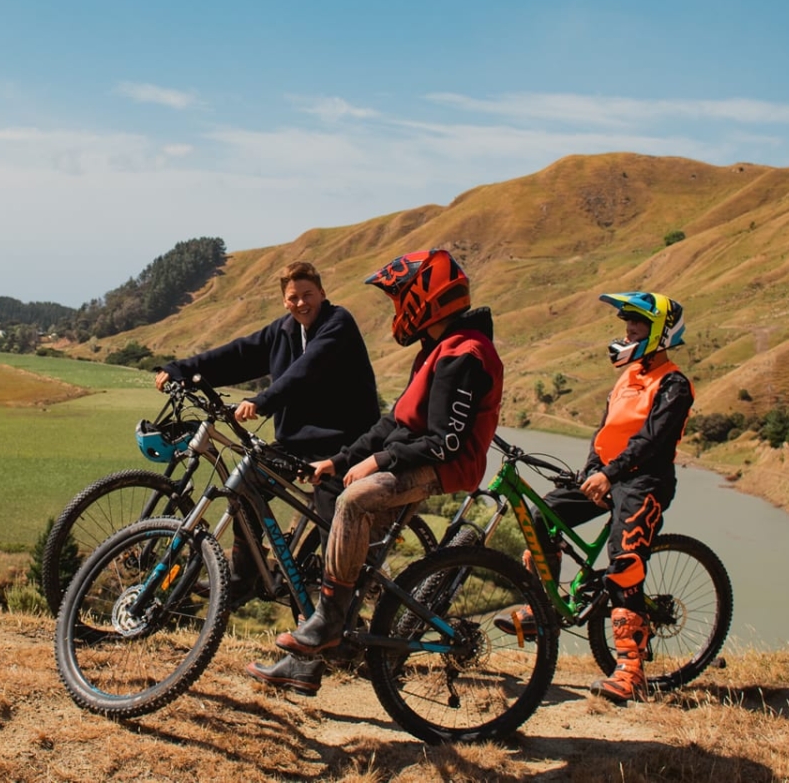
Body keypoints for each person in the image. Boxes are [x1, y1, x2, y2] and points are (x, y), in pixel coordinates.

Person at [246, 249, 502, 696]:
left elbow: (446, 442)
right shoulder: (435, 350)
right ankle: (310, 662)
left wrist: (377, 462)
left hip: (445, 467)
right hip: (416, 458)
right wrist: (341, 460)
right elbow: (394, 424)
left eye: (402, 298)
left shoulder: (466, 353)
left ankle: (326, 623)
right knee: (341, 542)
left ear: (427, 299)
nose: (398, 310)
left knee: (352, 502)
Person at [494, 290, 694, 704]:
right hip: (606, 475)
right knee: (541, 515)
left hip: (644, 483)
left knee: (624, 562)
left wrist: (611, 474)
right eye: (627, 323)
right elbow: (606, 432)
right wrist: (590, 471)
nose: (629, 330)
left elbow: (651, 442)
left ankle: (632, 671)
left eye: (638, 323)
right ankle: (543, 609)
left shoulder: (674, 383)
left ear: (660, 331)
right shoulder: (627, 376)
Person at [154, 260, 380, 604]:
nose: (301, 303)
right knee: (244, 488)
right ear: (284, 301)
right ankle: (242, 580)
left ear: (322, 292)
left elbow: (306, 370)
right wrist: (180, 370)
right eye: (293, 297)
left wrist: (262, 401)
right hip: (295, 446)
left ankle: (336, 618)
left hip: (342, 448)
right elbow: (237, 355)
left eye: (308, 294)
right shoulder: (284, 331)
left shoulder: (338, 324)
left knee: (332, 527)